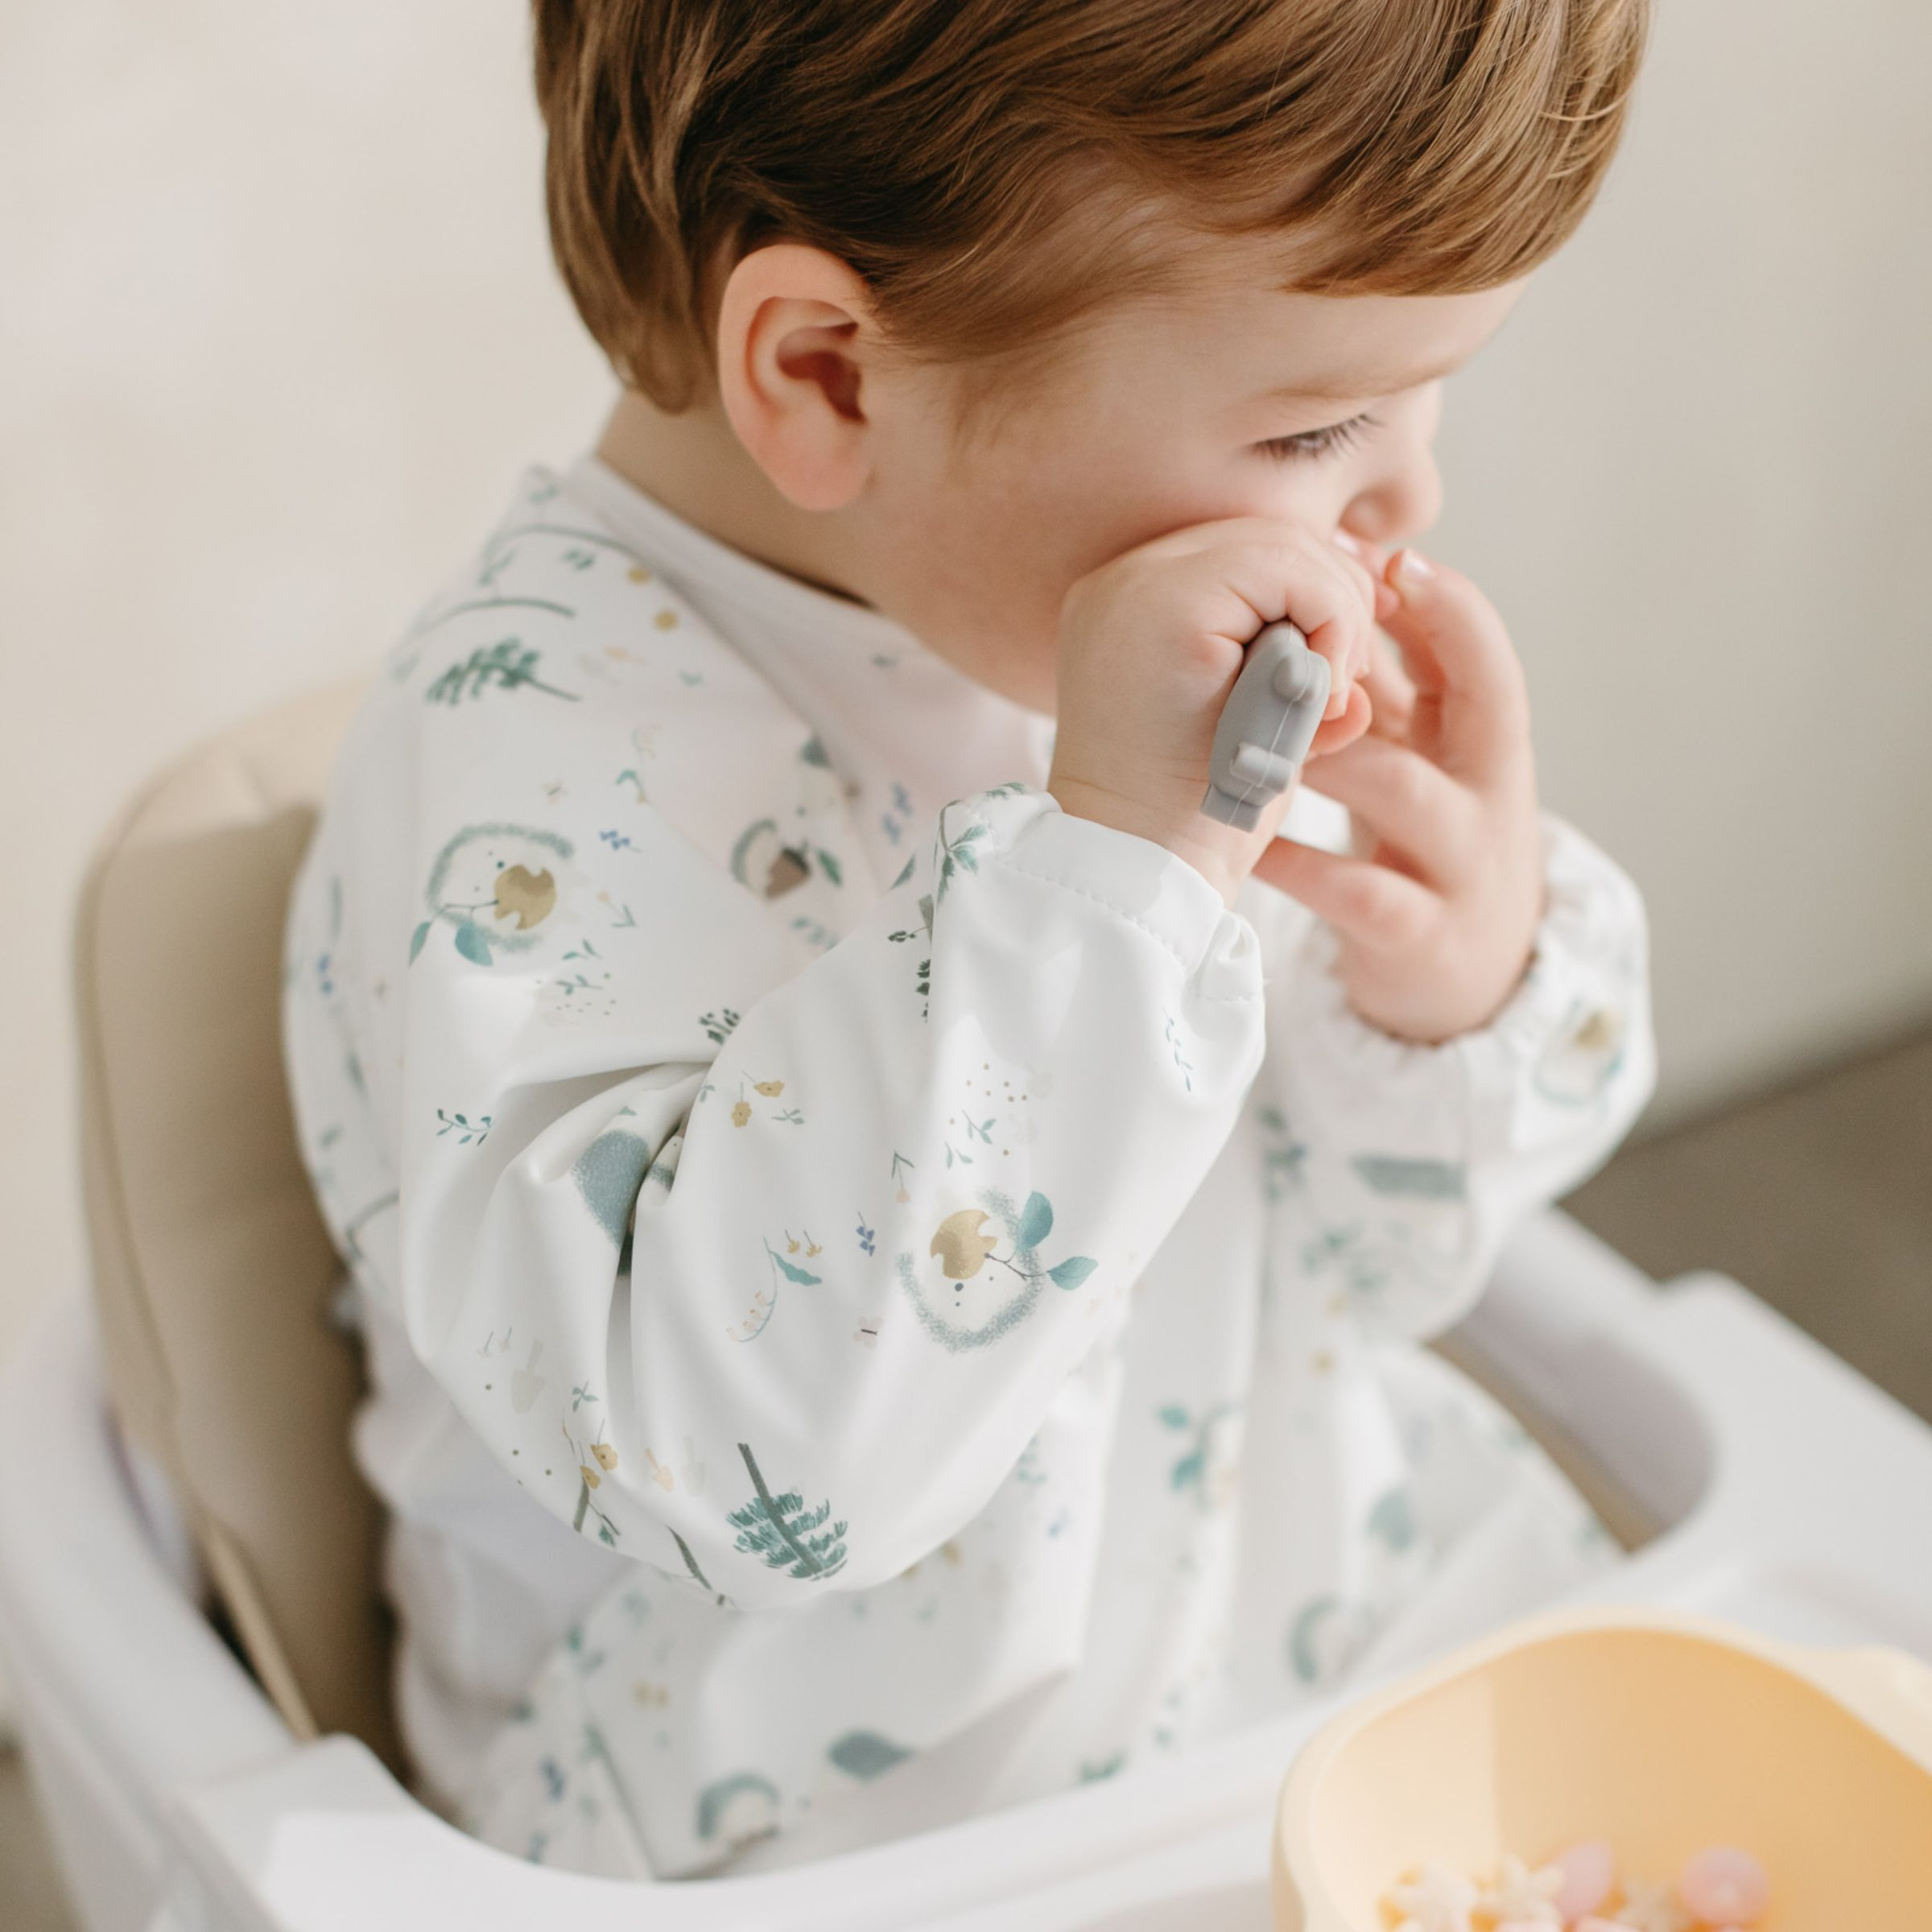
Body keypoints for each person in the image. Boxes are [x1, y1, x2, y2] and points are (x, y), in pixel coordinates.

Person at [282, 0, 1656, 1881]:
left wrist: (1453, 992)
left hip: (1285, 1638)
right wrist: (1110, 879)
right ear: (833, 375)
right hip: (829, 1822)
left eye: (1425, 397)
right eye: (1321, 423)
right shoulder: (521, 776)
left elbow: (1373, 1267)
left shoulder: (1067, 620)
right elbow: (750, 1463)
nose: (1406, 495)